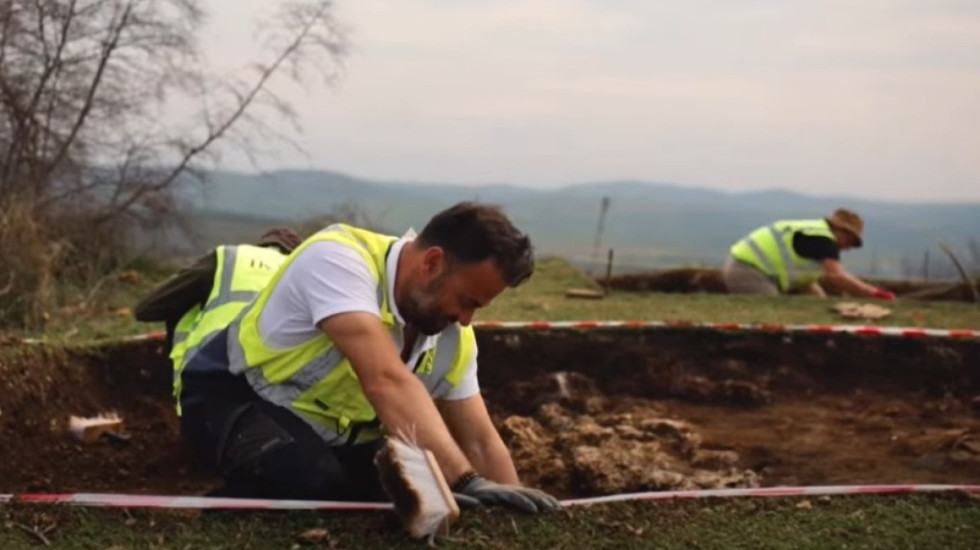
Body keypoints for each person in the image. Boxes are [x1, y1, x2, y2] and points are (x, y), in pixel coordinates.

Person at [177, 202, 561, 513]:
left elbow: (479, 440)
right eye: (465, 301)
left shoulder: (453, 336)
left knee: (411, 490)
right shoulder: (337, 260)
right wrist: (463, 479)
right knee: (311, 481)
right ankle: (229, 502)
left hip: (333, 434)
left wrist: (515, 508)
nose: (465, 319)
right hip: (233, 396)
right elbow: (385, 380)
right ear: (432, 263)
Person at [134, 228, 303, 410]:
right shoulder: (306, 275)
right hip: (277, 386)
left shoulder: (230, 258)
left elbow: (147, 309)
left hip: (209, 372)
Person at [723, 208, 896, 299]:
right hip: (748, 271)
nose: (849, 248)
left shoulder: (815, 233)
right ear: (841, 231)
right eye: (850, 242)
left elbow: (803, 278)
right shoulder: (823, 240)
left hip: (745, 267)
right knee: (773, 314)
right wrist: (873, 293)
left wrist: (819, 301)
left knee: (814, 305)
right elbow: (836, 276)